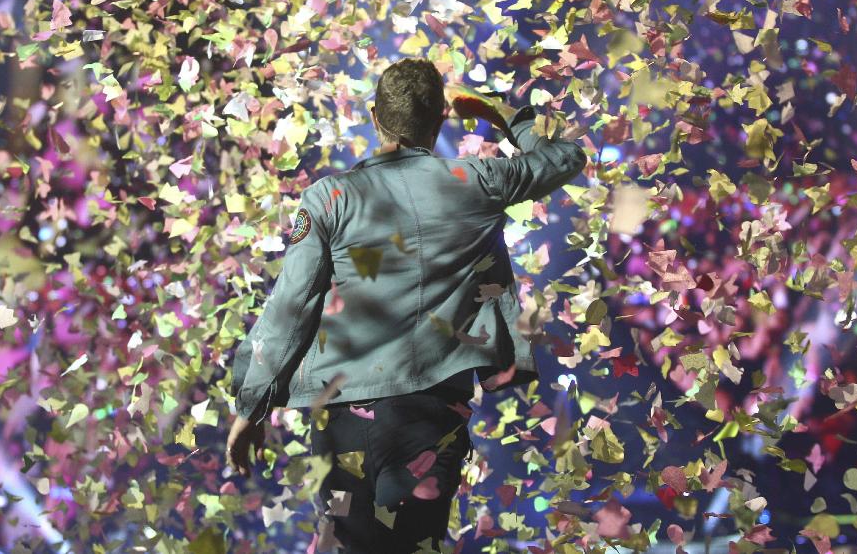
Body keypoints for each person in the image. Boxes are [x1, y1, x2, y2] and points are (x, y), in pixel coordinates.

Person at [225, 58, 587, 553]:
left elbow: (292, 307)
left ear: (375, 116)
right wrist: (501, 113)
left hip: (342, 418)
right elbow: (565, 156)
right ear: (442, 117)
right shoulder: (480, 180)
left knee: (346, 545)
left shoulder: (330, 198)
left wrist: (252, 406)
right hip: (429, 416)